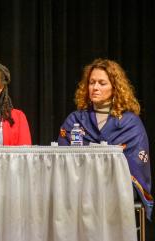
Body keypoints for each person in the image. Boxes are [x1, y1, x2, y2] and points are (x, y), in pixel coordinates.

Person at [58, 58, 152, 218]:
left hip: (119, 186)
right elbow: (62, 158)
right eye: (92, 82)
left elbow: (137, 161)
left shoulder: (129, 122)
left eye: (102, 83)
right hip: (80, 184)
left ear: (115, 88)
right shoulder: (75, 119)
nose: (95, 87)